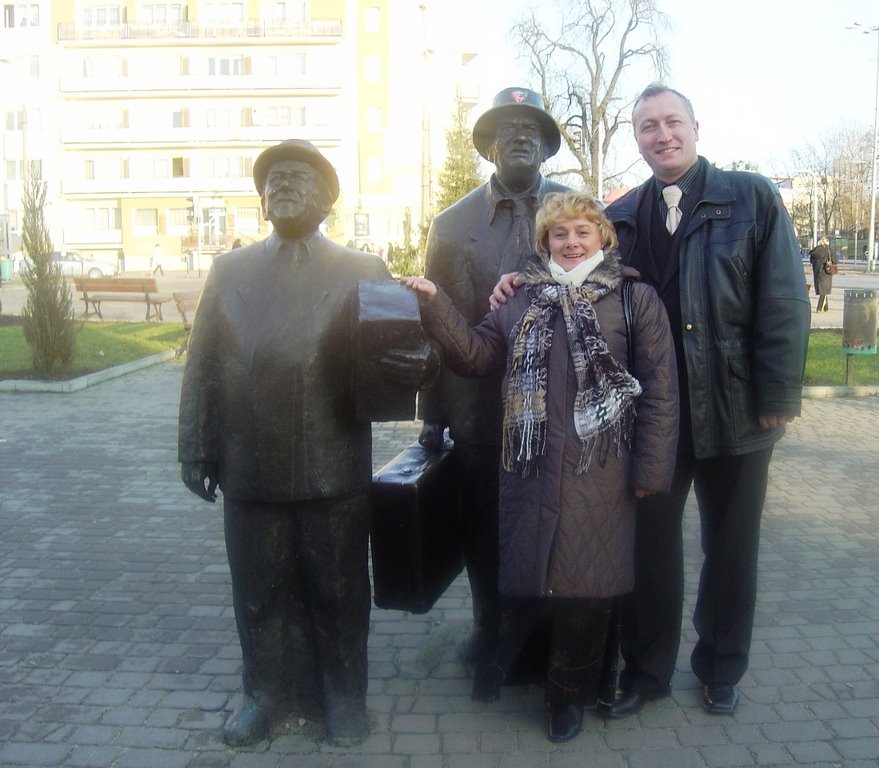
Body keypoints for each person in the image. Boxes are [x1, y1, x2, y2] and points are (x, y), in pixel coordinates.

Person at [492, 84, 809, 717]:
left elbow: (784, 299)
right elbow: (585, 276)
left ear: (696, 127)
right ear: (635, 139)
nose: (662, 135)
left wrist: (778, 391)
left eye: (672, 123)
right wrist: (519, 278)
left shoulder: (751, 199)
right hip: (654, 417)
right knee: (652, 547)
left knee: (732, 545)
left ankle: (721, 666)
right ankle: (646, 673)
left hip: (738, 410)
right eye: (647, 127)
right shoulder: (627, 214)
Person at [178, 139, 432, 748]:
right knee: (259, 592)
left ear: (327, 199)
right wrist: (195, 445)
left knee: (339, 589)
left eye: (299, 177)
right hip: (249, 464)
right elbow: (203, 363)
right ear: (261, 199)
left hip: (332, 464)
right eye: (274, 179)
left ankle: (343, 697)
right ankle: (262, 695)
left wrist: (417, 362)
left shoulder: (361, 270)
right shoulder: (228, 271)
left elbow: (398, 355)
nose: (283, 186)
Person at [404, 191, 679, 742]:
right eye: (560, 234)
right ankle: (535, 674)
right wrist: (437, 304)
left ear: (603, 237)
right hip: (532, 469)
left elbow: (661, 392)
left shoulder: (635, 299)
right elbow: (478, 355)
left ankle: (568, 697)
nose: (572, 242)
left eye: (582, 231)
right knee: (542, 581)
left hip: (601, 471)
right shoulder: (522, 296)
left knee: (587, 589)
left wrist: (651, 474)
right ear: (545, 242)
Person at [417, 87, 571, 666]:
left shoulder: (573, 211)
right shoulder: (453, 225)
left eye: (532, 128)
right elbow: (439, 320)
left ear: (547, 144)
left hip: (557, 406)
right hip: (479, 408)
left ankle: (543, 634)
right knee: (483, 527)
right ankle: (489, 627)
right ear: (489, 145)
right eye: (508, 128)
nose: (521, 136)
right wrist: (431, 416)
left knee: (550, 521)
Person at [808, 237, 834, 313]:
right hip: (827, 271)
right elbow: (835, 260)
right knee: (824, 290)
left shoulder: (816, 250)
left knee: (822, 289)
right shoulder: (829, 249)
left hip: (817, 272)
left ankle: (826, 307)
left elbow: (812, 260)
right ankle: (819, 308)